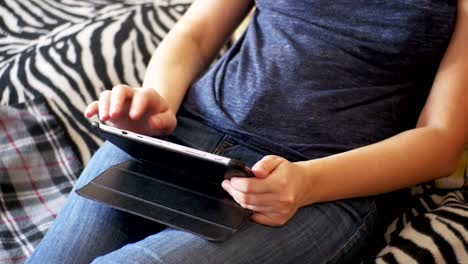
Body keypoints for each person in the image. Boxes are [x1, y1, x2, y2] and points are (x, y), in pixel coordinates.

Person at [28, 0, 467, 263]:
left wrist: (308, 183)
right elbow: (196, 35)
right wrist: (156, 105)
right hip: (182, 138)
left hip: (318, 187)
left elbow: (442, 139)